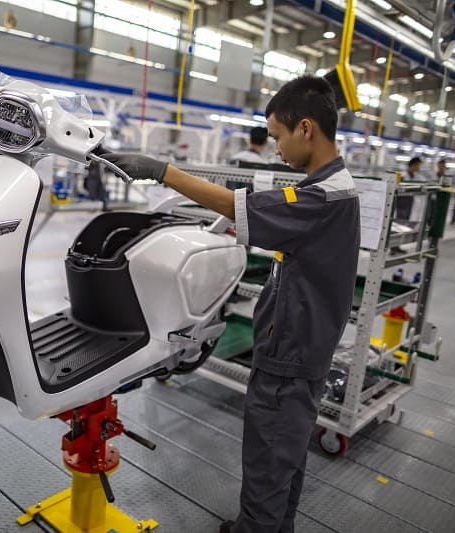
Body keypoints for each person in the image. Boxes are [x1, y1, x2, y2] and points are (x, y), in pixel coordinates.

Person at [101, 76, 360, 533]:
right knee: (285, 458)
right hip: (305, 348)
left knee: (268, 459)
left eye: (278, 136)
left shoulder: (320, 198)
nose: (276, 147)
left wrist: (162, 171)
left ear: (306, 128)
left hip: (290, 355)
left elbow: (244, 207)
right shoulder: (334, 186)